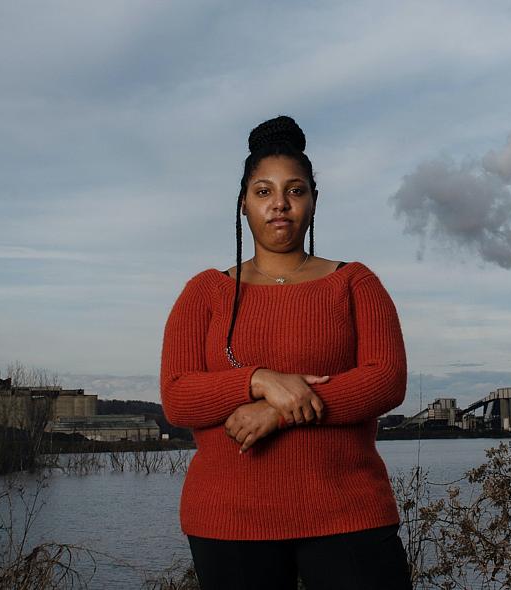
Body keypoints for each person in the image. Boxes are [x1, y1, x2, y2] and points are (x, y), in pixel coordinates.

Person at [160, 115, 413, 590]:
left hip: (348, 511)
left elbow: (385, 379)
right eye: (263, 191)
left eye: (295, 191)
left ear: (314, 201)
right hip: (229, 519)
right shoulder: (205, 292)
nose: (280, 204)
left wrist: (279, 412)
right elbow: (177, 396)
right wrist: (257, 379)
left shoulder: (355, 282)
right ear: (243, 204)